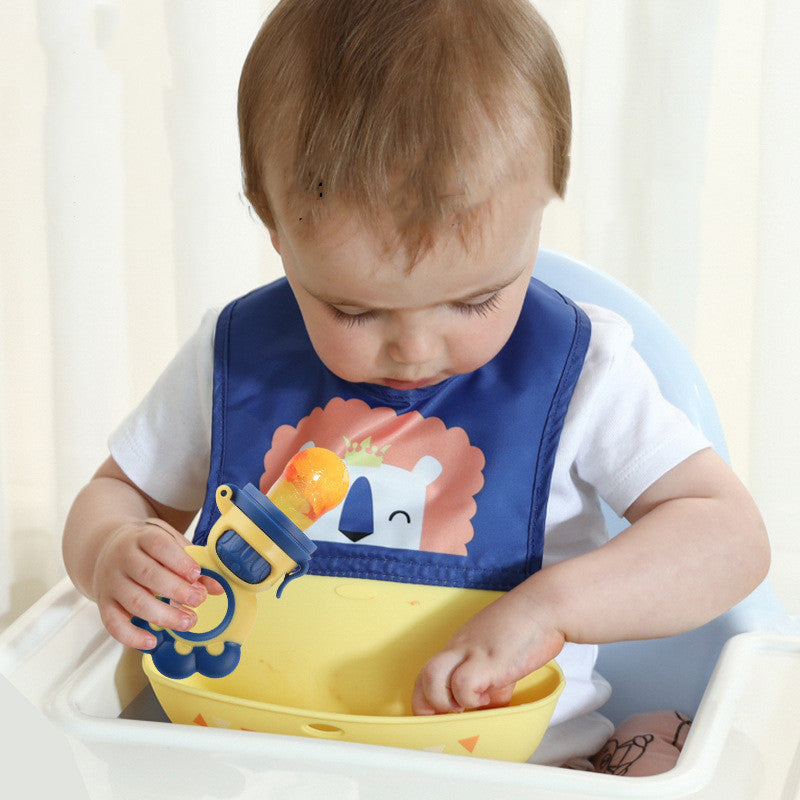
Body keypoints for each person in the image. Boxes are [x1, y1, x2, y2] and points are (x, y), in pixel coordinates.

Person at [62, 0, 770, 773]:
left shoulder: (583, 375)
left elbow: (728, 537)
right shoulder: (232, 361)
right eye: (355, 309)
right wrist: (111, 551)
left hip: (517, 774)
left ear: (540, 212)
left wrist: (553, 606)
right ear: (276, 230)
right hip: (256, 765)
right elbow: (115, 495)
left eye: (475, 300)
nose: (416, 349)